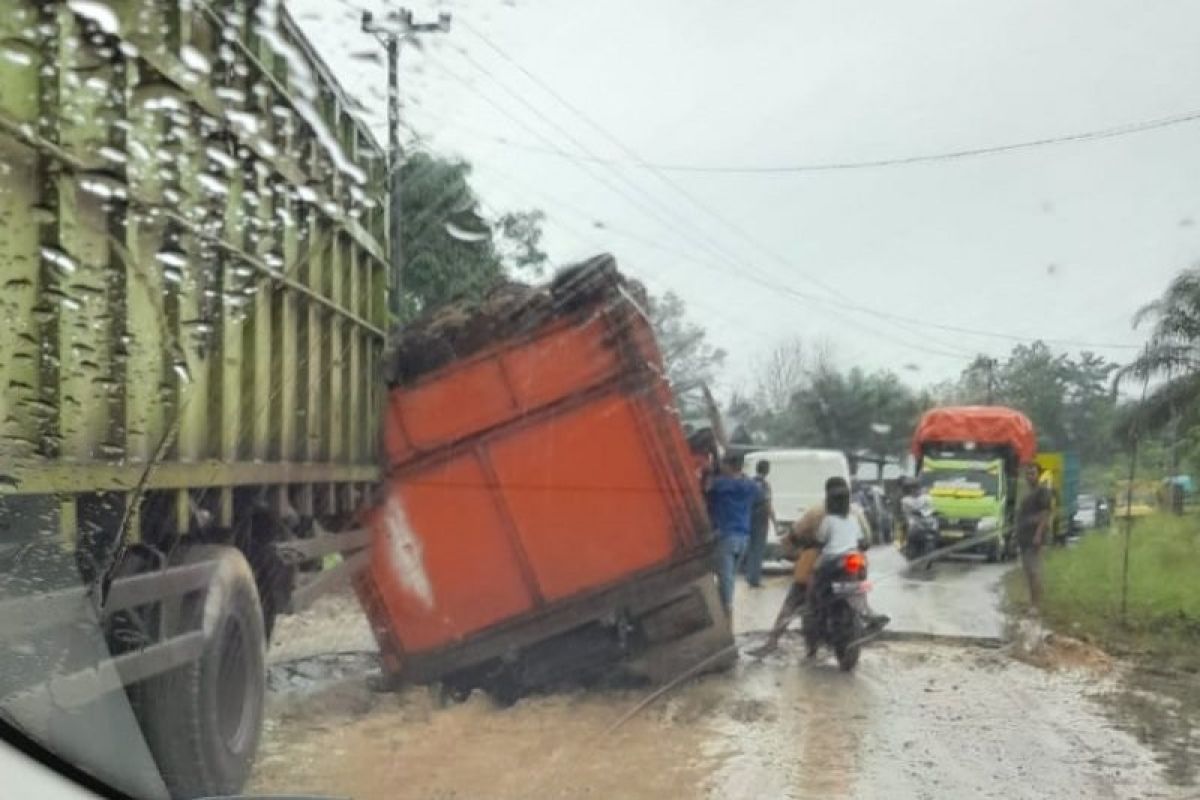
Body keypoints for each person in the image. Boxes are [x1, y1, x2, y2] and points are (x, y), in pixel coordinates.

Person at [749, 477, 881, 656]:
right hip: (853, 561)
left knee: (794, 599)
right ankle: (867, 611)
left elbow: (796, 535)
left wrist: (788, 547)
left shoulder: (818, 512)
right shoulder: (856, 512)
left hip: (824, 562)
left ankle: (773, 641)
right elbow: (868, 539)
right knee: (860, 584)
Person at [705, 453, 762, 612]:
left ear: (728, 465)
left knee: (725, 579)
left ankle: (726, 611)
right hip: (744, 538)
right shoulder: (751, 486)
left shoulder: (720, 485)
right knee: (729, 577)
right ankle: (726, 612)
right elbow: (758, 496)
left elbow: (706, 491)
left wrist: (710, 473)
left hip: (726, 537)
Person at [1016, 463, 1053, 609]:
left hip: (1034, 538)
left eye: (1032, 473)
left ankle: (1036, 605)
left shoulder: (1042, 492)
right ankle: (1032, 602)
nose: (1030, 476)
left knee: (1034, 571)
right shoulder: (1027, 493)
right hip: (1024, 537)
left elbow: (1045, 515)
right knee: (1027, 572)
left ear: (1039, 475)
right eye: (1028, 474)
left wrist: (1038, 535)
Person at [743, 459, 775, 588]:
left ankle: (749, 575)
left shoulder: (749, 483)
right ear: (767, 470)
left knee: (750, 548)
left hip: (748, 517)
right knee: (758, 548)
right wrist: (775, 522)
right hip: (761, 518)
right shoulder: (765, 485)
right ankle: (754, 579)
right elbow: (768, 504)